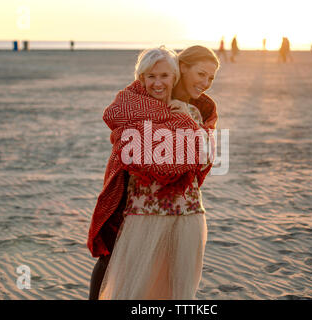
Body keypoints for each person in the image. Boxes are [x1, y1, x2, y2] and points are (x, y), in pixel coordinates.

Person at [87, 45, 219, 300]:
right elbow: (131, 149)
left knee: (173, 291)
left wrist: (188, 127)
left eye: (210, 78)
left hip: (186, 213)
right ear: (182, 70)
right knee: (124, 278)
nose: (206, 83)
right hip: (142, 212)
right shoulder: (134, 104)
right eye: (201, 74)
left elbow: (205, 157)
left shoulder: (199, 111)